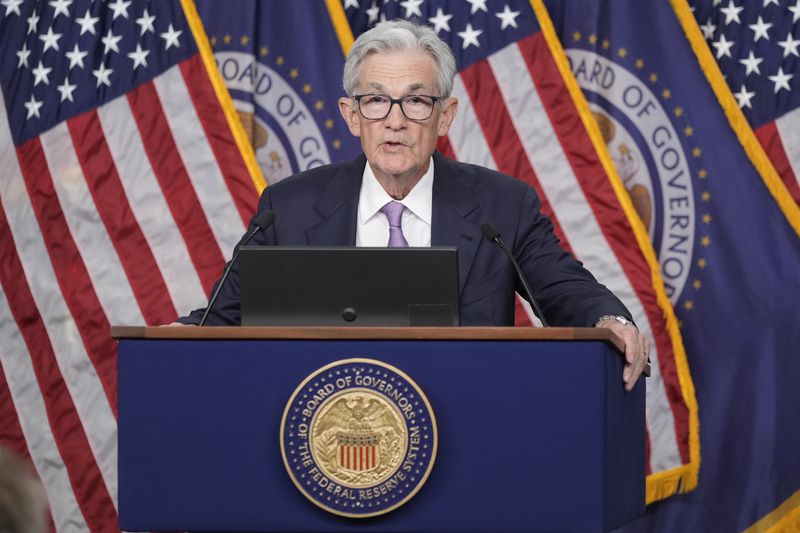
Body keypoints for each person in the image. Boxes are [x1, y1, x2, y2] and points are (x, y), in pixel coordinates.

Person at [179, 20, 649, 391]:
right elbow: (226, 316)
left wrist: (612, 319)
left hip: (465, 435)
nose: (395, 122)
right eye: (376, 101)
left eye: (417, 101)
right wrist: (169, 338)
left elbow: (566, 290)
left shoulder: (501, 206)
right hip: (326, 442)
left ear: (445, 115)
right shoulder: (288, 208)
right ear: (351, 115)